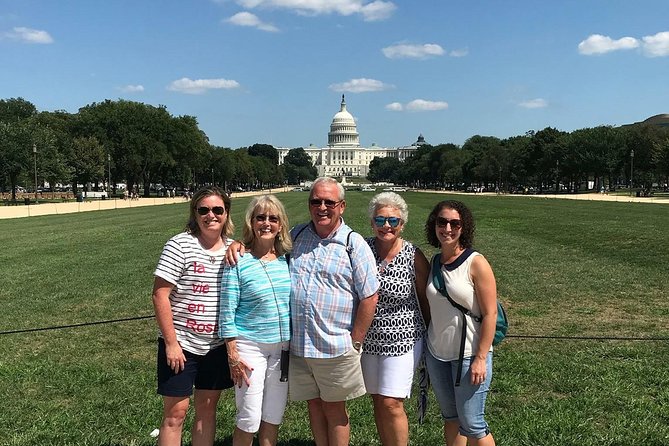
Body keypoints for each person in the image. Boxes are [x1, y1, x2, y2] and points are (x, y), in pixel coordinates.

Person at [226, 176, 380, 446]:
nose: (322, 207)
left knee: (334, 410)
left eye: (329, 202)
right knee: (313, 406)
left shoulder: (353, 244)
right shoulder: (297, 237)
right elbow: (264, 246)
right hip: (299, 347)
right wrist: (239, 244)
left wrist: (355, 340)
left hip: (334, 344)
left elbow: (369, 295)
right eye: (316, 201)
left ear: (341, 206)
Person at [151, 186, 235, 446]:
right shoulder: (180, 244)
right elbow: (160, 294)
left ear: (226, 213)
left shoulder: (233, 249)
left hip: (216, 346)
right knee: (175, 414)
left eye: (217, 210)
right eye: (204, 210)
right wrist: (172, 344)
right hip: (182, 344)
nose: (211, 216)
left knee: (207, 412)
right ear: (195, 213)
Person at [424, 200, 498, 446]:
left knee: (473, 423)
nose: (447, 228)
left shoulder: (476, 262)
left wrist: (480, 358)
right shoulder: (434, 262)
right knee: (451, 418)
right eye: (442, 222)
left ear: (463, 227)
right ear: (434, 225)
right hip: (437, 355)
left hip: (468, 355)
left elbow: (490, 314)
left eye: (454, 223)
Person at [219, 195, 292, 446]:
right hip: (250, 346)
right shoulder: (238, 260)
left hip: (282, 348)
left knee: (273, 415)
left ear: (281, 225)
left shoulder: (288, 260)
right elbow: (227, 310)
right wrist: (232, 352)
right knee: (249, 417)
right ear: (251, 222)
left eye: (273, 218)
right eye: (260, 217)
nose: (266, 223)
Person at [361, 192, 430, 446]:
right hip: (368, 340)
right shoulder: (362, 249)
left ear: (402, 224)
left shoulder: (414, 256)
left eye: (393, 221)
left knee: (392, 402)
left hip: (403, 339)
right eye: (380, 220)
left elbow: (425, 299)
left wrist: (431, 335)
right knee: (378, 399)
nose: (386, 226)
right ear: (372, 222)